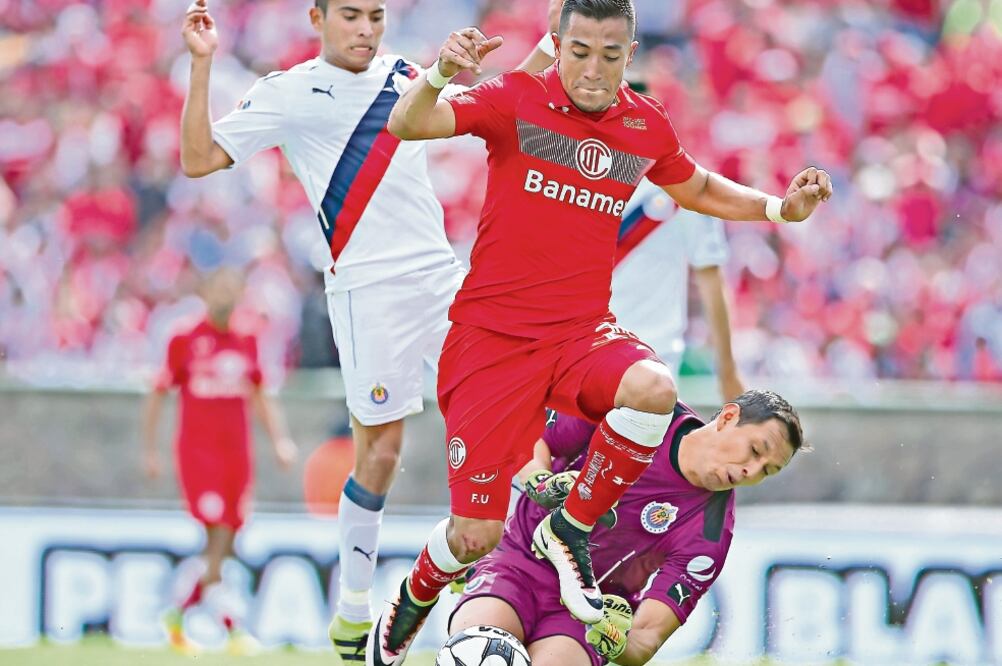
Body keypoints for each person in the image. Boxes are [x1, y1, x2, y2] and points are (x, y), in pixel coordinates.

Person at [369, 0, 833, 663]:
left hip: (579, 334)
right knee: (474, 535)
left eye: (610, 56)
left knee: (653, 389)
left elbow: (697, 187)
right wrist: (441, 73)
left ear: (629, 54)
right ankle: (413, 597)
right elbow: (409, 122)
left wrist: (780, 210)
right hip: (492, 342)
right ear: (557, 45)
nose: (593, 69)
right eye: (580, 52)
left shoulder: (643, 124)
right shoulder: (515, 97)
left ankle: (570, 528)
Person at [177, 0, 560, 660]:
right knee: (380, 454)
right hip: (367, 291)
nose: (364, 29)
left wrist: (554, 42)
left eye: (376, 16)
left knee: (514, 418)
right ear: (317, 18)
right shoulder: (290, 91)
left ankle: (526, 573)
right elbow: (198, 158)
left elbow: (498, 106)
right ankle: (354, 613)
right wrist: (202, 63)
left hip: (441, 280)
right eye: (351, 15)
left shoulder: (408, 75)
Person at [450, 390, 805, 666]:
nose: (750, 471)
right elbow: (534, 438)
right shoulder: (639, 412)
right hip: (518, 563)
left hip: (585, 611)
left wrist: (616, 639)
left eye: (767, 471)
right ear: (728, 417)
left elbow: (646, 637)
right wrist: (541, 483)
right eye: (755, 450)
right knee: (476, 650)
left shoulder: (712, 534)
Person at [142, 269, 298, 654]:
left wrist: (280, 441)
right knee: (219, 530)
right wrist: (150, 449)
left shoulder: (247, 337)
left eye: (231, 289)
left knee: (228, 536)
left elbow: (260, 393)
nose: (224, 296)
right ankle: (228, 624)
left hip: (236, 455)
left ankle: (182, 611)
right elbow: (159, 392)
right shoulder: (184, 337)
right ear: (205, 291)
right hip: (199, 455)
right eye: (218, 288)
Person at [612, 179, 744, 402]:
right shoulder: (574, 173)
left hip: (652, 358)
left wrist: (728, 372)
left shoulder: (688, 184)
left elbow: (711, 278)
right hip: (587, 351)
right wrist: (728, 374)